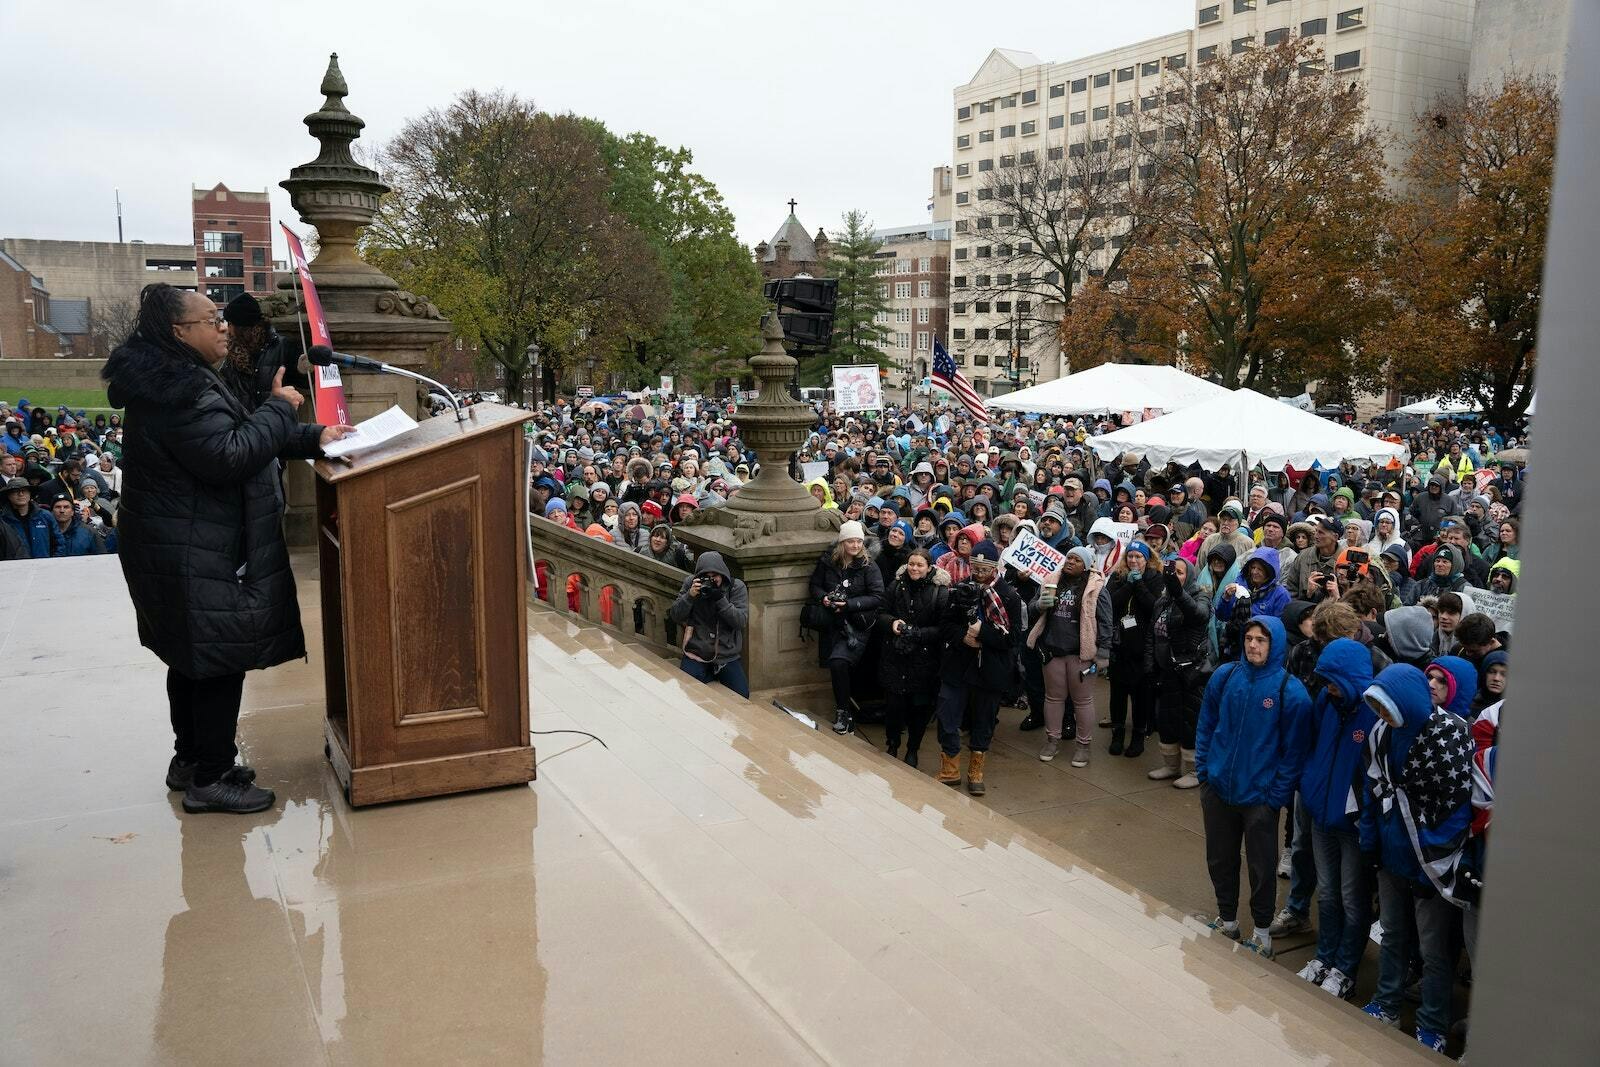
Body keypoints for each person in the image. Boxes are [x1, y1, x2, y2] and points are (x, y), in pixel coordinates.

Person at [103, 283, 353, 815]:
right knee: (217, 658)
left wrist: (312, 437)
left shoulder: (174, 378)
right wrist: (280, 407)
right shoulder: (181, 389)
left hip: (178, 542)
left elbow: (235, 432)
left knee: (192, 655)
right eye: (211, 319)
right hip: (193, 546)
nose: (224, 328)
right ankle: (211, 777)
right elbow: (229, 455)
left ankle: (192, 759)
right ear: (179, 333)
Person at [1359, 664, 1474, 1053]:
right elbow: (1374, 787)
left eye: (1386, 707)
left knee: (1433, 950)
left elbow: (1458, 808)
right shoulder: (1381, 733)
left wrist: (1433, 866)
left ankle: (1432, 1023)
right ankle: (1387, 1003)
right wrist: (1371, 841)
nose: (1382, 716)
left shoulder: (1452, 735)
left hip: (1432, 866)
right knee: (1392, 935)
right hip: (1392, 856)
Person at [1196, 617, 1311, 959]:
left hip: (1259, 798)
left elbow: (1294, 753)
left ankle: (1262, 933)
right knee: (1219, 858)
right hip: (1218, 788)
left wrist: (1275, 796)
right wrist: (1204, 771)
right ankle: (1227, 919)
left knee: (1262, 867)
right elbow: (1206, 724)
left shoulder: (1290, 692)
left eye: (1261, 639)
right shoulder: (1225, 676)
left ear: (1274, 643)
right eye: (1249, 638)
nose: (1253, 645)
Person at [1292, 638, 1376, 1000]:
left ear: (1352, 679)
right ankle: (1324, 958)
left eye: (1333, 680)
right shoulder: (1326, 700)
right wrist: (1308, 786)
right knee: (1327, 895)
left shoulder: (1373, 715)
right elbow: (1311, 745)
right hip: (1320, 816)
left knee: (1352, 900)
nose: (1326, 687)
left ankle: (1345, 969)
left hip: (1352, 828)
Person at [934, 540, 1021, 794]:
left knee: (983, 719)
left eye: (985, 569)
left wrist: (982, 633)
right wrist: (963, 636)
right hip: (959, 664)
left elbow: (1013, 637)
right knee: (947, 713)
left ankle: (976, 771)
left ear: (995, 568)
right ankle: (950, 768)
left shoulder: (1009, 596)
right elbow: (945, 624)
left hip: (990, 668)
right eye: (975, 568)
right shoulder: (961, 590)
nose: (979, 574)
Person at [1027, 546, 1112, 767]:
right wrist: (1039, 605)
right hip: (1053, 651)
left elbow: (1105, 622)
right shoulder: (1050, 580)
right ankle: (1052, 740)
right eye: (1069, 558)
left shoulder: (1096, 587)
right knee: (1053, 698)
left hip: (1081, 655)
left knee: (1082, 701)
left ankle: (1083, 746)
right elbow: (1031, 608)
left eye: (1076, 559)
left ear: (1086, 565)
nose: (1070, 562)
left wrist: (1103, 653)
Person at [807, 520, 886, 735]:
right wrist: (824, 598)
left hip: (857, 624)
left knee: (839, 661)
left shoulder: (869, 566)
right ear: (842, 543)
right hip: (832, 621)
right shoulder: (828, 562)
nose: (855, 545)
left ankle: (843, 711)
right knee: (835, 664)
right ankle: (845, 708)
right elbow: (815, 585)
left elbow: (878, 596)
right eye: (851, 541)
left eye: (859, 541)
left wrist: (849, 604)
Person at [877, 547, 949, 767]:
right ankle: (892, 743)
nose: (914, 569)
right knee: (894, 707)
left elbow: (943, 628)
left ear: (929, 568)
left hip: (923, 659)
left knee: (919, 708)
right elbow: (880, 613)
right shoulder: (896, 585)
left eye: (919, 565)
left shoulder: (940, 591)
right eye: (911, 564)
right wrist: (892, 623)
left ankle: (913, 749)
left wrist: (918, 634)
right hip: (896, 655)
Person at [1147, 556, 1212, 788]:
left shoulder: (1200, 595)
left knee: (1190, 720)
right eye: (1174, 573)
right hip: (1168, 670)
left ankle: (1194, 770)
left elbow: (1198, 615)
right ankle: (1172, 765)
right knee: (1168, 718)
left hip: (1191, 671)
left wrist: (1177, 591)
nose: (1176, 576)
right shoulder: (1162, 601)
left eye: (1181, 573)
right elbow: (1153, 633)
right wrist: (1150, 663)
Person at [668, 551, 750, 697]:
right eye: (706, 577)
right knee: (688, 690)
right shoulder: (690, 583)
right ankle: (708, 674)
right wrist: (690, 596)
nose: (711, 581)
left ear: (723, 574)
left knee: (742, 695)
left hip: (727, 655)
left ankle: (713, 674)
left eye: (715, 577)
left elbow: (740, 621)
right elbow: (675, 615)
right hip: (696, 651)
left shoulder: (736, 587)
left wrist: (721, 599)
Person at [1105, 542, 1161, 757]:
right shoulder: (1118, 576)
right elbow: (1110, 603)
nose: (1134, 561)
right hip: (1120, 645)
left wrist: (1139, 585)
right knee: (1117, 693)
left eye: (1139, 557)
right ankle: (1117, 733)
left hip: (1143, 647)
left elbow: (1154, 607)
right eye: (1130, 556)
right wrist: (1128, 585)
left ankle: (1138, 735)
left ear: (1147, 559)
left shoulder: (1155, 579)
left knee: (1141, 696)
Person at [2, 475, 54, 558]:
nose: (21, 494)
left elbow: (59, 543)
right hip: (14, 568)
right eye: (16, 491)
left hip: (45, 568)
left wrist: (54, 563)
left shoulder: (46, 516)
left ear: (30, 494)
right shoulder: (3, 520)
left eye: (24, 491)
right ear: (9, 495)